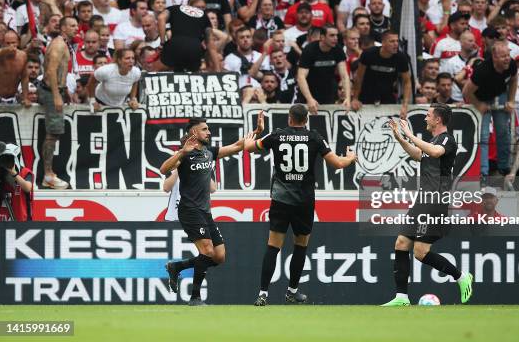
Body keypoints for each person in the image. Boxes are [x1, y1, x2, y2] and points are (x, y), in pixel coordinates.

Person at [244, 104, 357, 306]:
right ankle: (292, 292)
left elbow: (248, 147)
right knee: (300, 245)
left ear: (289, 118)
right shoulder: (315, 137)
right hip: (304, 201)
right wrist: (349, 159)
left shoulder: (277, 135)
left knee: (273, 247)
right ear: (306, 119)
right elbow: (338, 164)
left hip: (281, 199)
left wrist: (257, 131)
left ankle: (262, 294)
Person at [161, 114, 263, 305]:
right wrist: (182, 152)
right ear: (194, 132)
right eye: (205, 129)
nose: (209, 132)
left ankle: (176, 267)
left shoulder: (209, 152)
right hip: (189, 210)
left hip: (205, 212)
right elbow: (163, 168)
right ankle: (195, 297)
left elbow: (236, 146)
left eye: (208, 129)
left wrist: (256, 133)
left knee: (219, 256)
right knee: (207, 251)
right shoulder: (185, 155)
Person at [383, 104, 473, 307]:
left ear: (438, 120)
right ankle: (402, 298)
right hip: (423, 199)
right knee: (401, 243)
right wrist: (400, 138)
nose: (425, 118)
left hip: (435, 201)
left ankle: (461, 277)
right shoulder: (432, 140)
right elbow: (418, 154)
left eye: (428, 115)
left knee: (421, 252)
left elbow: (433, 152)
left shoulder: (447, 140)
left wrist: (409, 133)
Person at [462, 41, 518, 181]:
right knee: (483, 135)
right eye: (503, 56)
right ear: (494, 57)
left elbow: (514, 79)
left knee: (503, 131)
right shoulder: (482, 71)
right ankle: (483, 172)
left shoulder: (511, 64)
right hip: (481, 97)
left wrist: (510, 100)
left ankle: (504, 167)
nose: (507, 58)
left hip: (499, 94)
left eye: (508, 55)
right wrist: (478, 104)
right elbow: (466, 92)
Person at [38, 17, 77, 190]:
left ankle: (49, 174)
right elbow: (51, 70)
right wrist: (56, 95)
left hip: (57, 89)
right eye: (72, 25)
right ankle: (48, 175)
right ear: (63, 28)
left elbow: (60, 70)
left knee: (53, 134)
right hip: (50, 90)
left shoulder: (62, 42)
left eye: (76, 25)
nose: (76, 28)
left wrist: (64, 91)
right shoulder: (59, 45)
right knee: (52, 134)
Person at [351, 30, 411, 118]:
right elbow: (359, 77)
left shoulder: (401, 58)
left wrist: (405, 105)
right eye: (392, 41)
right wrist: (355, 98)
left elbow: (407, 82)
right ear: (383, 43)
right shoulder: (368, 54)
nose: (396, 44)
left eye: (397, 41)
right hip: (366, 94)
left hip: (387, 95)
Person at [296, 24, 350, 114]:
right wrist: (309, 99)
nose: (336, 38)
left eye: (336, 35)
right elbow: (301, 77)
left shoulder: (338, 50)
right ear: (322, 37)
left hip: (329, 91)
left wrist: (347, 98)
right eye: (332, 35)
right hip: (309, 91)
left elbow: (344, 75)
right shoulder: (309, 50)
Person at [157, 0, 211, 72]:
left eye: (203, 8)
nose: (200, 10)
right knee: (193, 76)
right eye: (198, 7)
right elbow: (211, 45)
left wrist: (162, 43)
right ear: (189, 6)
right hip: (195, 48)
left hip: (175, 46)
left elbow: (160, 18)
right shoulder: (204, 16)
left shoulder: (175, 8)